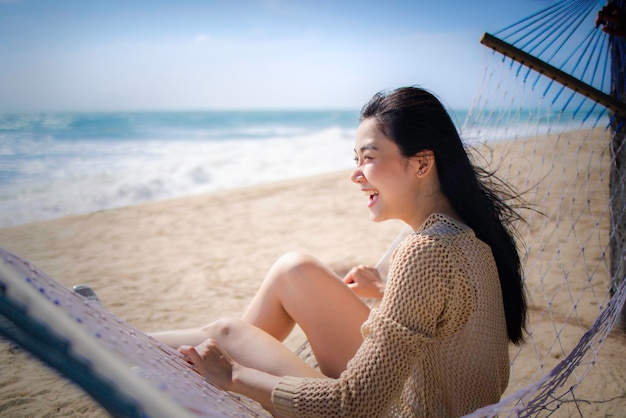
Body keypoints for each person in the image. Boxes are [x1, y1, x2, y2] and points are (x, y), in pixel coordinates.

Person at [151, 86, 528, 417]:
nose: (355, 174)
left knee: (227, 333)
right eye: (355, 159)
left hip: (392, 409)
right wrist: (385, 292)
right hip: (417, 395)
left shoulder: (426, 252)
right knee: (293, 270)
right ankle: (163, 365)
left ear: (422, 163)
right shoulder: (468, 238)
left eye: (369, 157)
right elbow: (455, 316)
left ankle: (111, 340)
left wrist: (234, 374)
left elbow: (352, 407)